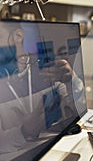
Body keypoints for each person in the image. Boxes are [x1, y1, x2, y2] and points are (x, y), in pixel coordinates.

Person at [0, 21, 85, 153]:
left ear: (18, 36)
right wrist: (24, 132)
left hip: (54, 149)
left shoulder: (48, 70)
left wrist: (71, 81)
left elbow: (78, 112)